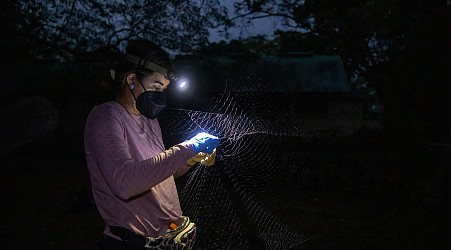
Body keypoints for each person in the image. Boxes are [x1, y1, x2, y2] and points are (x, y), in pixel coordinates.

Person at [84, 39, 219, 250]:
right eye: (156, 86)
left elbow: (158, 173)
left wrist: (191, 158)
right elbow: (125, 183)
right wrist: (187, 148)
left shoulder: (150, 121)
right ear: (131, 79)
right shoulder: (106, 116)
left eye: (164, 89)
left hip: (168, 241)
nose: (161, 95)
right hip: (130, 244)